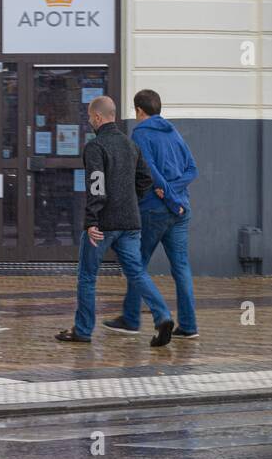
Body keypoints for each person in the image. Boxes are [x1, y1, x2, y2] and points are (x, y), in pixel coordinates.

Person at [56, 95, 175, 348]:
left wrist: (91, 221)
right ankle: (162, 315)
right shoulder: (130, 145)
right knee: (137, 272)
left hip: (103, 223)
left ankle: (83, 330)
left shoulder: (96, 147)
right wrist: (129, 199)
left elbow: (96, 186)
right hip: (131, 222)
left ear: (98, 117)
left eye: (90, 117)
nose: (89, 121)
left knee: (87, 276)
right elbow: (145, 180)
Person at [103, 89, 199, 338]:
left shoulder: (141, 133)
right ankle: (188, 326)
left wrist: (167, 195)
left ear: (139, 110)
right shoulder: (174, 132)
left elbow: (152, 173)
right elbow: (191, 170)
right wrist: (176, 196)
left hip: (154, 211)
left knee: (137, 264)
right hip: (180, 210)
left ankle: (132, 319)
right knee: (181, 267)